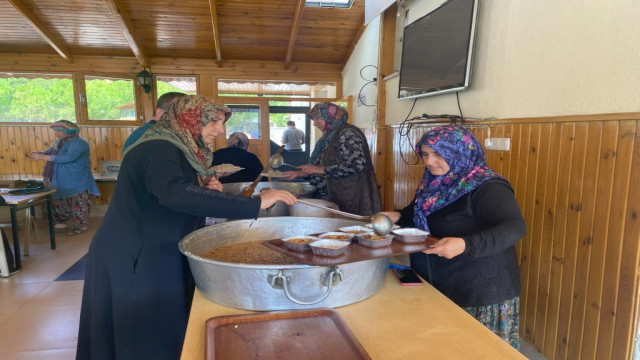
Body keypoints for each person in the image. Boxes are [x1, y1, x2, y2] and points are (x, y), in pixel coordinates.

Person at [76, 95, 297, 360]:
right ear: (189, 119)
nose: (219, 129)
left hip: (153, 246)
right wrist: (254, 203)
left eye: (221, 122)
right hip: (135, 252)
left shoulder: (176, 148)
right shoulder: (160, 148)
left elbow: (170, 191)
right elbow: (175, 194)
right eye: (212, 121)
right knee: (140, 333)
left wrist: (202, 188)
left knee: (153, 328)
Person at [380, 125, 525, 349]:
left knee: (476, 350)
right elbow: (420, 213)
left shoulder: (488, 187)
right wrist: (398, 215)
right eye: (426, 154)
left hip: (480, 289)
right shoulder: (436, 182)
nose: (429, 161)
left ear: (459, 152)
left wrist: (466, 244)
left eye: (438, 153)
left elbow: (515, 227)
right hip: (439, 280)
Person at [282, 102, 382, 216]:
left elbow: (357, 164)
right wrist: (299, 173)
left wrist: (320, 170)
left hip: (350, 198)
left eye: (317, 119)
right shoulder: (329, 135)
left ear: (328, 117)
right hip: (333, 197)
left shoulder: (347, 133)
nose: (314, 124)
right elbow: (321, 166)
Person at [28, 120, 100, 235]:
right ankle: (60, 225)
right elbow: (50, 152)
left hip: (76, 177)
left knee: (79, 202)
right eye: (55, 131)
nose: (55, 133)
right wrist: (39, 153)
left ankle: (80, 226)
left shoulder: (80, 143)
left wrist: (43, 157)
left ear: (68, 131)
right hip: (60, 177)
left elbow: (68, 157)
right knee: (59, 202)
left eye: (58, 131)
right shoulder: (61, 142)